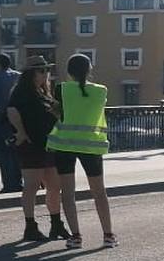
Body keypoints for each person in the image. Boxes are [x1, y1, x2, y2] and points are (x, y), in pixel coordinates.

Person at [48, 53, 115, 250]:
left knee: (68, 193)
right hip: (91, 146)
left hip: (64, 145)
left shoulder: (61, 89)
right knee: (99, 192)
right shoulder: (101, 91)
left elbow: (58, 112)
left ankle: (76, 237)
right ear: (89, 70)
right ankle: (108, 235)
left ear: (69, 71)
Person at [6, 56, 67, 243]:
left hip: (49, 144)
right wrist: (22, 132)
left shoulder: (43, 93)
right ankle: (30, 226)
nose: (45, 74)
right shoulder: (21, 92)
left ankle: (56, 223)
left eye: (46, 70)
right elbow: (12, 111)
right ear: (31, 73)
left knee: (54, 186)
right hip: (31, 145)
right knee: (31, 186)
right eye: (41, 71)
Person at [0, 54, 23, 195]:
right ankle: (19, 182)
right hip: (18, 119)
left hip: (2, 120)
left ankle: (9, 184)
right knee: (16, 152)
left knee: (4, 153)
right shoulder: (18, 76)